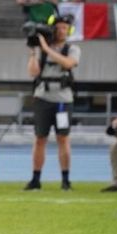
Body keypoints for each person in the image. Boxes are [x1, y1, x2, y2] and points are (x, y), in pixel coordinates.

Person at [25, 14, 81, 191]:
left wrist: (47, 49)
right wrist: (35, 50)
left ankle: (65, 179)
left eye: (65, 27)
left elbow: (69, 63)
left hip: (63, 100)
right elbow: (33, 72)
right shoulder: (42, 49)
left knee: (62, 139)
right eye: (59, 27)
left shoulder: (73, 48)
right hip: (43, 97)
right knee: (40, 139)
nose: (61, 30)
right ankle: (35, 179)